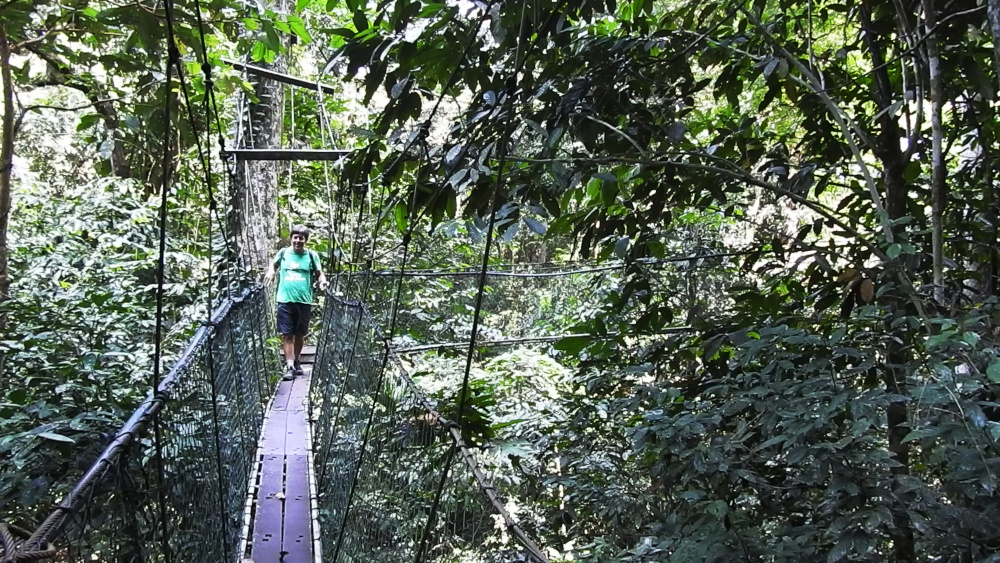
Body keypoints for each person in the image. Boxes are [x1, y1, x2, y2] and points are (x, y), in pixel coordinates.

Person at [264, 225, 328, 381]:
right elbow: (274, 263)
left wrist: (322, 281)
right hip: (285, 300)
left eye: (301, 238)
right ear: (291, 238)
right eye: (295, 237)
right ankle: (290, 366)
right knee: (287, 334)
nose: (298, 241)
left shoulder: (311, 255)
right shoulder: (284, 253)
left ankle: (297, 359)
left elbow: (319, 273)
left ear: (305, 240)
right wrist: (271, 271)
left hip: (304, 301)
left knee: (300, 334)